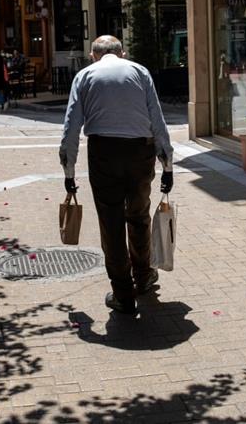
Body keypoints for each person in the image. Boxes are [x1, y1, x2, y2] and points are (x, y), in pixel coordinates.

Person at [59, 35, 174, 315]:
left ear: (92, 55)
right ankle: (143, 276)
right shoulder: (140, 72)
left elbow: (71, 127)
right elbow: (156, 119)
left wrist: (69, 171)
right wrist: (167, 164)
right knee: (138, 215)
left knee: (110, 221)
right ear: (122, 53)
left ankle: (123, 293)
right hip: (140, 152)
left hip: (103, 152)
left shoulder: (84, 76)